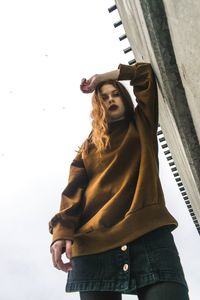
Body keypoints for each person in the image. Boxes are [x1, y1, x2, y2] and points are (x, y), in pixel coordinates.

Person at [49, 62, 190, 300]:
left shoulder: (141, 125)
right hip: (93, 244)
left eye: (116, 94)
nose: (111, 100)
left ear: (125, 98)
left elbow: (144, 73)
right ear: (98, 106)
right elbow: (73, 194)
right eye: (104, 97)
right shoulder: (87, 148)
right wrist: (61, 232)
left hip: (149, 235)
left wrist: (103, 77)